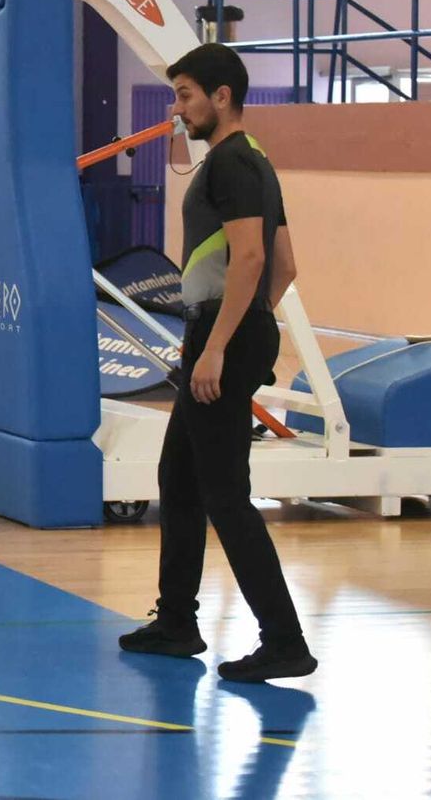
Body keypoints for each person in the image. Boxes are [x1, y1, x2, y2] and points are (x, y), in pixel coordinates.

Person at [118, 43, 315, 685]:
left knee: (226, 495)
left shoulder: (230, 163)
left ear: (220, 95)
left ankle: (284, 641)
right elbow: (284, 268)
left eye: (184, 96)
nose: (179, 110)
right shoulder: (256, 162)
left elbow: (254, 260)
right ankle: (177, 620)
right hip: (228, 331)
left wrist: (220, 344)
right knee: (178, 476)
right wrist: (247, 326)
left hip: (222, 338)